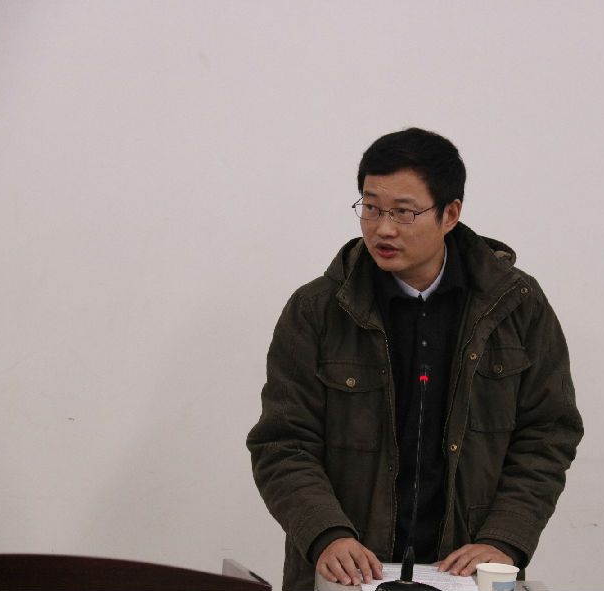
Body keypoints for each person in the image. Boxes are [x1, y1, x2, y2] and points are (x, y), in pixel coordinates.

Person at [247, 128, 583, 590]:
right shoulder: (317, 310)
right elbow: (283, 442)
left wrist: (504, 538)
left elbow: (548, 434)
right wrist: (326, 534)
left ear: (450, 214)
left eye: (404, 212)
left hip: (466, 573)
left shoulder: (516, 305)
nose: (383, 228)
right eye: (370, 207)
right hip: (347, 574)